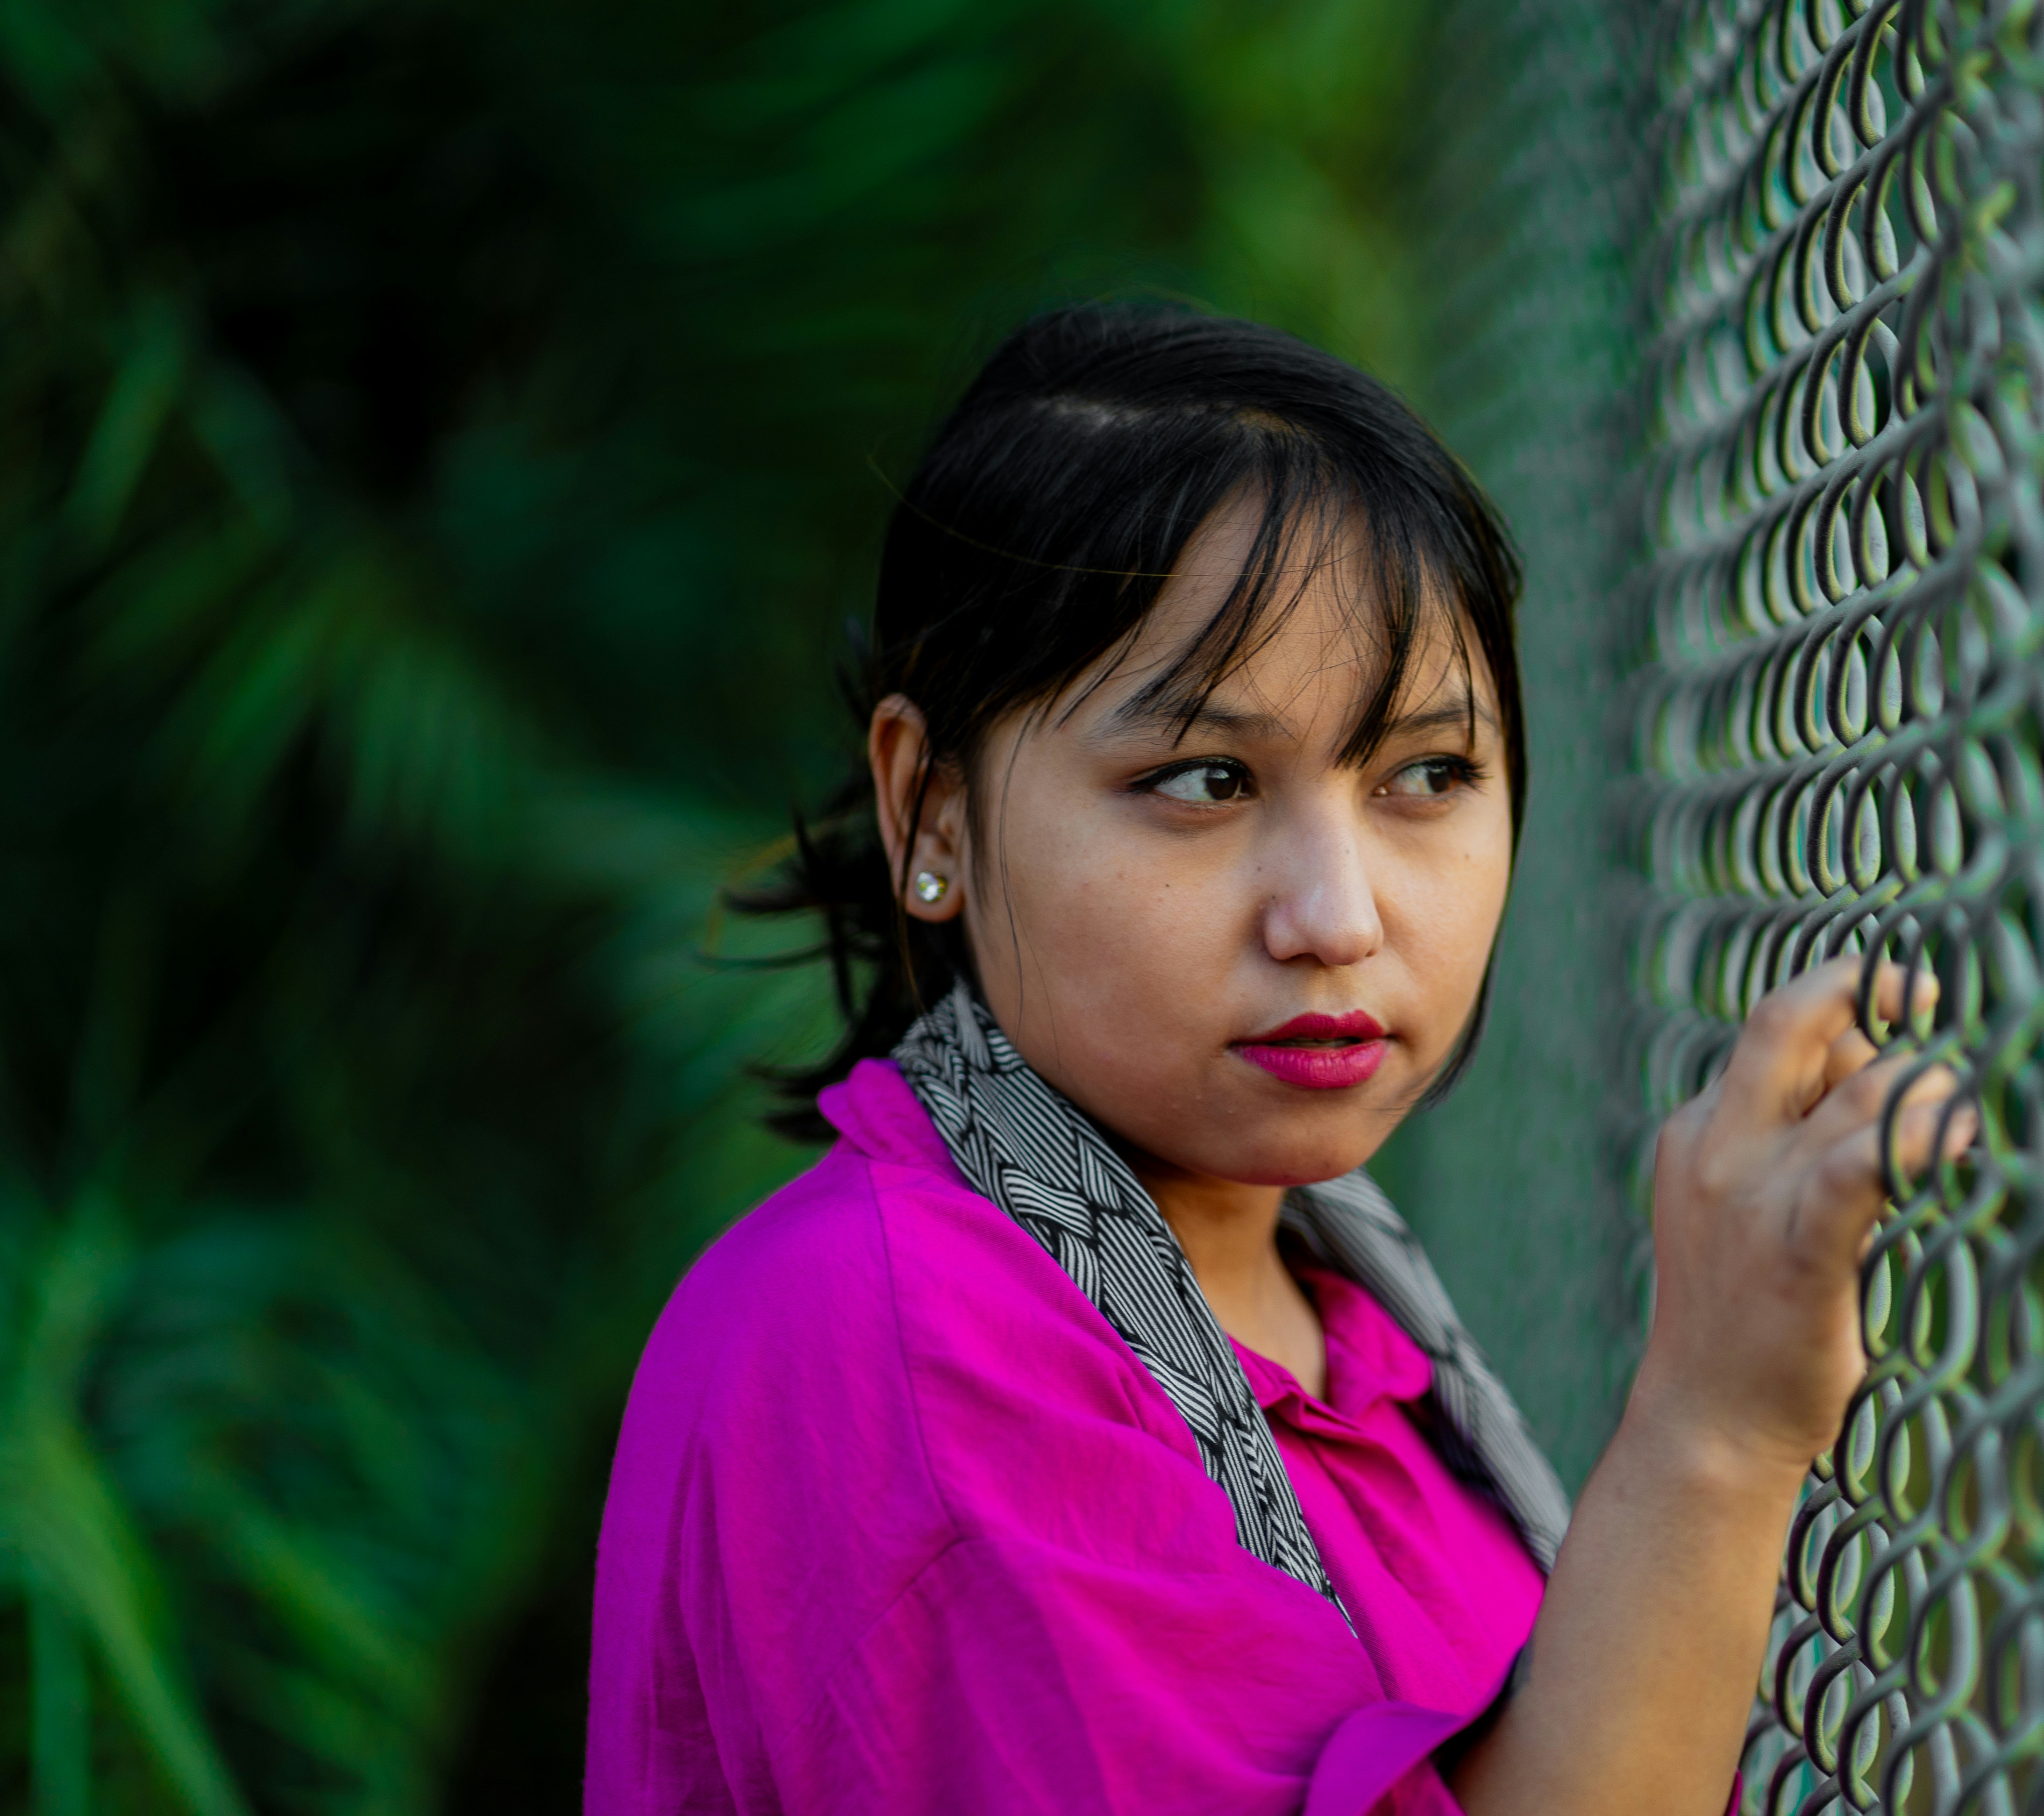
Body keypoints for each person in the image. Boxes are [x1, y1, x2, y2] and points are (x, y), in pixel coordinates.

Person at [584, 304, 1972, 1815]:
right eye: (1203, 780)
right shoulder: (907, 1348)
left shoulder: (1341, 1305)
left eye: (1427, 775)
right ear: (930, 810)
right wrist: (1714, 1431)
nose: (1339, 915)